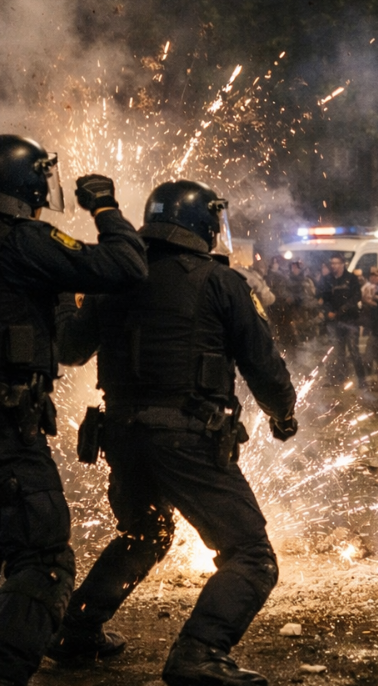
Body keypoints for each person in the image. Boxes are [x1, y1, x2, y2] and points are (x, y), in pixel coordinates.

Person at [0, 135, 148, 686]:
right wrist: (106, 209)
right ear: (30, 183)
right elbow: (126, 266)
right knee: (44, 559)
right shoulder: (23, 239)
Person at [49, 180, 298, 685]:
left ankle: (75, 631)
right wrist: (283, 415)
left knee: (146, 533)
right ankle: (200, 653)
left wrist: (58, 295)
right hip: (186, 438)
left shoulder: (115, 279)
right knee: (251, 556)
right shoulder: (221, 282)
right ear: (204, 223)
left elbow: (70, 349)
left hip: (121, 435)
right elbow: (265, 367)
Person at [320, 254, 365, 388]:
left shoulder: (351, 279)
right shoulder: (328, 280)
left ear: (342, 264)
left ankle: (362, 380)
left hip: (349, 320)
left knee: (354, 351)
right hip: (334, 321)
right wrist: (328, 311)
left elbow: (356, 296)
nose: (333, 266)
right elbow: (324, 298)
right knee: (338, 352)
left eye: (336, 263)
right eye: (332, 263)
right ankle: (340, 378)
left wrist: (342, 310)